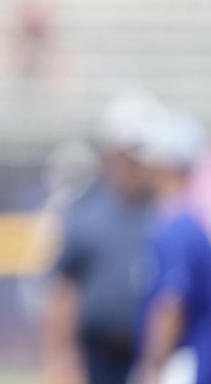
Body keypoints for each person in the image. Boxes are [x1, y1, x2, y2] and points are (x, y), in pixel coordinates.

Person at [41, 92, 160, 384]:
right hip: (97, 357)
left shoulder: (164, 211)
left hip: (150, 354)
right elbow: (63, 292)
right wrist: (62, 361)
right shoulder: (84, 211)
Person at [130, 109, 211, 384]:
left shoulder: (178, 228)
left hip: (183, 366)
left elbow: (171, 304)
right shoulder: (182, 222)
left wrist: (153, 367)